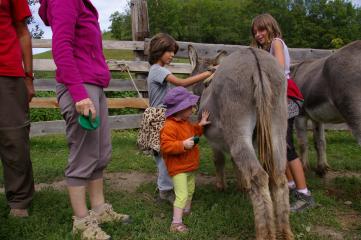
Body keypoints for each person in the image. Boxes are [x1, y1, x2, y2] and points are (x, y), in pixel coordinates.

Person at [39, 0, 130, 239]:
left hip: (93, 84)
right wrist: (79, 95)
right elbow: (61, 47)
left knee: (100, 152)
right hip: (79, 86)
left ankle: (99, 209)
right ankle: (81, 222)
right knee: (83, 155)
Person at [251, 13, 315, 212]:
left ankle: (304, 194)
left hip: (284, 97)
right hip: (277, 97)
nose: (258, 34)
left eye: (262, 30)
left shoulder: (277, 42)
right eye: (255, 32)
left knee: (286, 146)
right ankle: (290, 185)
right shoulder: (265, 48)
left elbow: (278, 69)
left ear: (271, 27)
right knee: (279, 144)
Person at [147, 33, 214, 204]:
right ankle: (165, 192)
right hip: (160, 117)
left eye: (173, 52)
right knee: (164, 156)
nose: (172, 55)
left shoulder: (157, 70)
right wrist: (209, 72)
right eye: (169, 51)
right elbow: (182, 83)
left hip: (160, 115)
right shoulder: (158, 70)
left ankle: (166, 186)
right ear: (159, 50)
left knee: (165, 155)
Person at [0, 0, 35, 217]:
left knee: (14, 137)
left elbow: (23, 32)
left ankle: (20, 199)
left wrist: (29, 77)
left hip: (7, 71)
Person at [160, 86, 210, 232]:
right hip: (178, 168)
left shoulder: (185, 122)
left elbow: (193, 132)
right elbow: (166, 146)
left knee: (190, 190)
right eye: (190, 107)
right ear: (180, 110)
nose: (193, 109)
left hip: (189, 166)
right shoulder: (169, 126)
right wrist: (182, 144)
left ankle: (185, 211)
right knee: (181, 195)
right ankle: (176, 223)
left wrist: (200, 125)